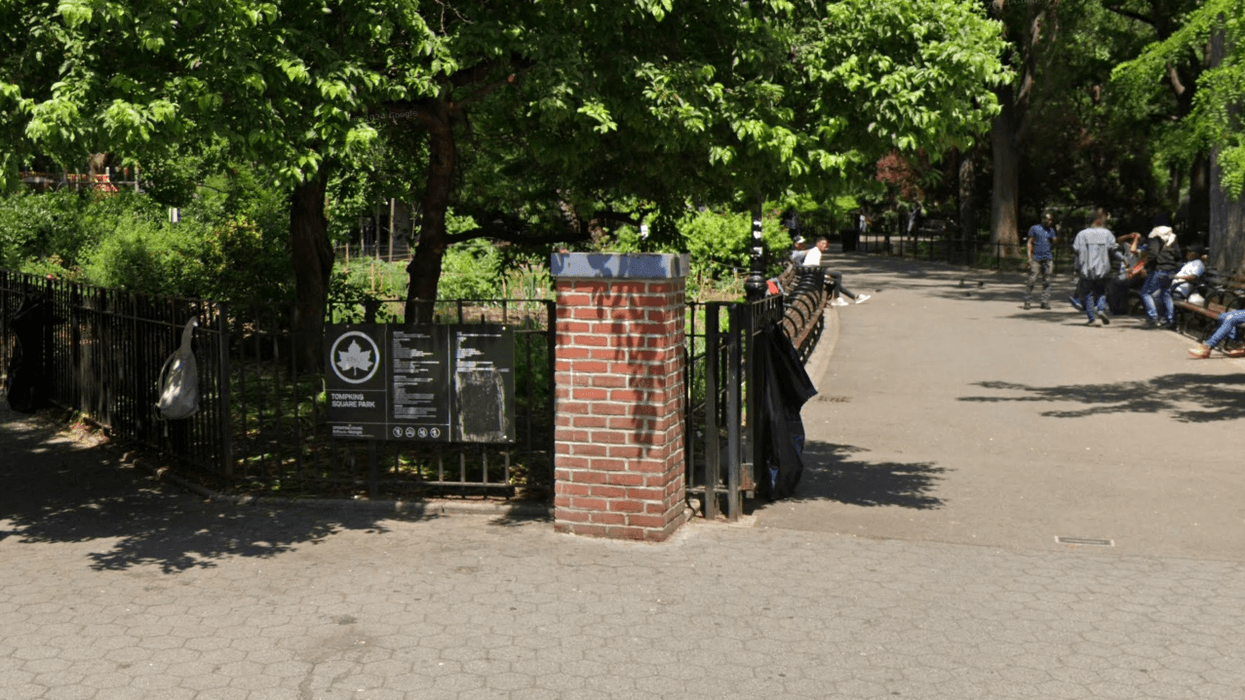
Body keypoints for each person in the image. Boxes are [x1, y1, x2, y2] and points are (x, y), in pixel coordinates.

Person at [1121, 226, 1182, 328]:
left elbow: (1153, 254)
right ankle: (1170, 320)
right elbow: (1178, 256)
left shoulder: (1155, 238)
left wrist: (1147, 267)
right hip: (1170, 271)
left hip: (1159, 269)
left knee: (1145, 292)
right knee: (1165, 294)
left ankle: (1152, 318)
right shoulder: (1172, 239)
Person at [1071, 208, 1121, 325]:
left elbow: (1076, 251)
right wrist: (1123, 259)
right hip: (1103, 269)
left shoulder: (1081, 234)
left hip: (1086, 269)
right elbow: (1114, 251)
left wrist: (1077, 268)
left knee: (1088, 293)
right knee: (1101, 291)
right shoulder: (1107, 234)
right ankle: (1100, 309)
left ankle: (1091, 319)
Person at [805, 237, 870, 305]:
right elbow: (813, 267)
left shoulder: (816, 251)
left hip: (814, 273)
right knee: (836, 280)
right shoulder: (816, 252)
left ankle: (851, 297)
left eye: (825, 244)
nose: (824, 246)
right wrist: (825, 275)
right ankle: (840, 298)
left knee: (837, 278)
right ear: (818, 244)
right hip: (813, 276)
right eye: (822, 244)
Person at [1024, 211, 1058, 309]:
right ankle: (1027, 301)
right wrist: (1029, 258)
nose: (1050, 221)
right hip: (1036, 258)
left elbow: (1055, 242)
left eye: (1051, 220)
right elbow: (1029, 243)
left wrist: (1057, 233)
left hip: (1048, 258)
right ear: (1043, 219)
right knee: (1031, 280)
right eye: (1048, 219)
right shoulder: (1034, 228)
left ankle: (1045, 301)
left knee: (1047, 281)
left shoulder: (1051, 230)